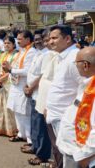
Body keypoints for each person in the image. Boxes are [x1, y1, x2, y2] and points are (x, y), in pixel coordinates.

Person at [46, 25, 83, 168]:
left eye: (54, 38)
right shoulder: (62, 57)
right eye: (50, 38)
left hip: (67, 118)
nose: (50, 41)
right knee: (61, 153)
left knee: (70, 156)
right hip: (56, 115)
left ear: (67, 39)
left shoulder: (75, 57)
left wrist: (73, 112)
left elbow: (86, 88)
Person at [57, 47, 95, 168]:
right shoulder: (87, 84)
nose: (75, 66)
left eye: (76, 63)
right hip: (73, 150)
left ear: (85, 65)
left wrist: (84, 156)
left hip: (82, 155)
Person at [22, 30, 52, 166]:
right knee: (34, 123)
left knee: (40, 126)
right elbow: (31, 72)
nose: (38, 41)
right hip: (32, 92)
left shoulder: (47, 54)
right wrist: (27, 86)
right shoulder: (37, 53)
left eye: (41, 39)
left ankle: (42, 154)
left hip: (40, 93)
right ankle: (35, 146)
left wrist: (31, 87)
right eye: (36, 39)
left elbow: (42, 75)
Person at [3, 30, 36, 145]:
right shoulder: (20, 52)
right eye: (17, 39)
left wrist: (11, 70)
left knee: (24, 113)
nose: (18, 41)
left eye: (20, 39)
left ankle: (30, 139)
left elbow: (27, 71)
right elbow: (15, 66)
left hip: (23, 85)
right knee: (17, 110)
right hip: (15, 84)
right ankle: (21, 134)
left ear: (28, 40)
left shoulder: (31, 52)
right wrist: (9, 68)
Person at [34, 30, 59, 167]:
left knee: (53, 136)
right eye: (47, 40)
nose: (48, 42)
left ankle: (51, 160)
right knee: (43, 130)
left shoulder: (62, 56)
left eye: (52, 39)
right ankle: (50, 158)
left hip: (52, 104)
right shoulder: (48, 54)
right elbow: (43, 76)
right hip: (42, 99)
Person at [0, 36, 18, 137]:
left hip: (9, 83)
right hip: (0, 82)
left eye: (9, 43)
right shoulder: (3, 55)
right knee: (0, 106)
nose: (6, 45)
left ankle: (11, 129)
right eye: (5, 43)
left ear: (13, 44)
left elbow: (12, 70)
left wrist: (1, 79)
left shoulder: (16, 55)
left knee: (8, 107)